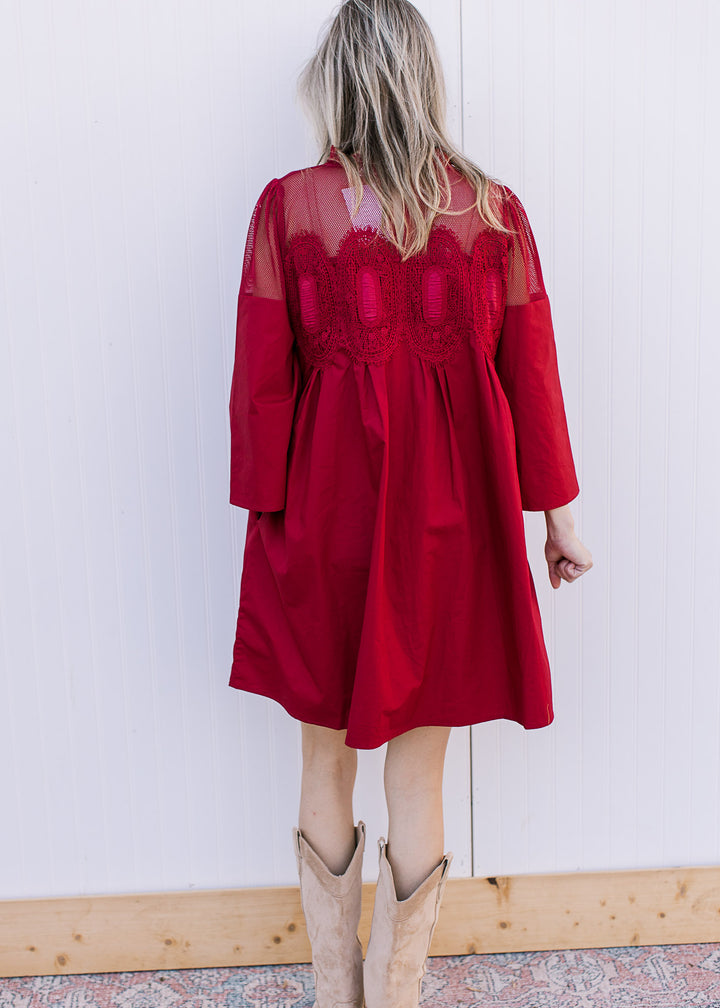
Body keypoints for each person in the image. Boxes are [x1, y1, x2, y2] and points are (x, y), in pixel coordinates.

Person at [227, 0, 593, 1005]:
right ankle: (394, 997)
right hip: (448, 533)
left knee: (324, 761)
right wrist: (556, 515)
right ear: (423, 80)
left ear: (340, 81)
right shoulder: (493, 212)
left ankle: (337, 993)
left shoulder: (291, 208)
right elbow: (533, 375)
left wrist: (267, 514)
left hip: (324, 522)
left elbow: (261, 376)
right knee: (418, 776)